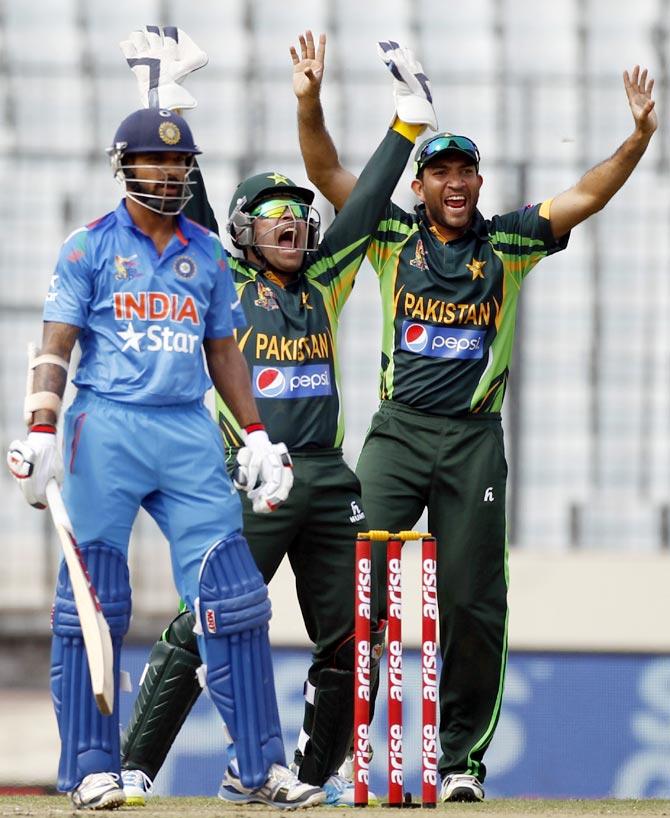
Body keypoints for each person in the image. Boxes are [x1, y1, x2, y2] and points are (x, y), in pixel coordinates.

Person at [295, 53, 658, 802]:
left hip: (472, 441)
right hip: (396, 434)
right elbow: (328, 169)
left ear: (478, 183)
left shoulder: (510, 244)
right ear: (419, 183)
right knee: (360, 589)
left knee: (471, 600)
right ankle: (328, 755)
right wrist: (310, 101)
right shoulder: (392, 236)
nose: (456, 183)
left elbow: (585, 194)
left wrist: (638, 139)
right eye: (441, 171)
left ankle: (459, 761)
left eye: (466, 172)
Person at [114, 27, 436, 808]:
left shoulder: (324, 281)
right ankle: (131, 769)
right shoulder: (215, 274)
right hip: (254, 478)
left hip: (329, 478)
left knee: (352, 642)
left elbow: (360, 211)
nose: (291, 224)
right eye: (271, 215)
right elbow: (177, 192)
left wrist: (406, 127)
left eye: (297, 213)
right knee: (208, 626)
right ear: (240, 230)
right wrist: (160, 100)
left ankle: (306, 778)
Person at [5, 104, 323, 811]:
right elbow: (56, 346)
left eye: (181, 162)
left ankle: (257, 768)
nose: (173, 172)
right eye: (158, 161)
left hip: (185, 430)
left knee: (234, 596)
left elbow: (223, 351)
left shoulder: (207, 252)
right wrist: (41, 431)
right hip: (106, 425)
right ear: (126, 167)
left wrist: (258, 433)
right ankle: (92, 767)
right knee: (94, 599)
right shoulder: (87, 248)